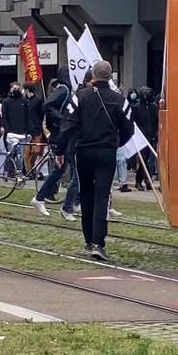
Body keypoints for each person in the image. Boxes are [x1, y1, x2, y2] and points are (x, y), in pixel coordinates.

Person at [56, 60, 134, 261]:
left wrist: (60, 149)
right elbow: (129, 128)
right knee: (102, 195)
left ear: (93, 75)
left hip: (84, 151)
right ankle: (99, 243)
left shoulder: (79, 97)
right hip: (107, 152)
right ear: (110, 76)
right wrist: (116, 143)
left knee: (86, 194)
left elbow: (67, 125)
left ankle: (89, 240)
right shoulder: (120, 100)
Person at [32, 68, 80, 220]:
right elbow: (47, 105)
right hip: (62, 134)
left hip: (61, 134)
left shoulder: (64, 89)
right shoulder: (64, 90)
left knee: (61, 169)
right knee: (73, 169)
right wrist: (62, 120)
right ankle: (68, 205)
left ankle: (41, 198)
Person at [0, 82, 29, 171]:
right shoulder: (6, 101)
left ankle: (19, 172)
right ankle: (8, 171)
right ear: (11, 89)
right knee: (11, 153)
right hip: (11, 132)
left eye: (18, 89)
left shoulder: (24, 101)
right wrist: (6, 128)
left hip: (22, 131)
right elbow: (4, 116)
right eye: (14, 88)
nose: (16, 90)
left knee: (20, 154)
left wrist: (27, 130)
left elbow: (27, 116)